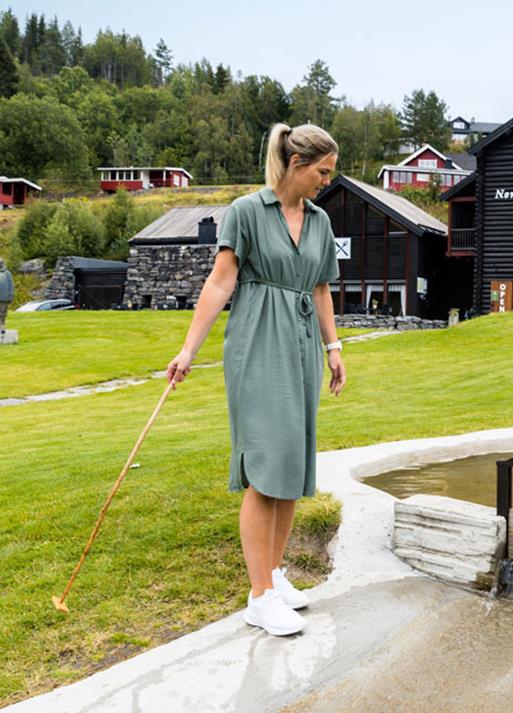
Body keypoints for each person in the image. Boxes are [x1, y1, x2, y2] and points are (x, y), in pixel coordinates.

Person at [166, 123, 344, 637]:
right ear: (295, 164)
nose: (325, 183)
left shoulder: (320, 221)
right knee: (265, 463)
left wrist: (333, 348)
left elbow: (320, 288)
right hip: (257, 342)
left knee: (290, 463)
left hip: (302, 346)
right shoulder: (247, 212)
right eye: (321, 172)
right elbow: (220, 281)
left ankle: (273, 576)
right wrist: (187, 349)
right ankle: (258, 596)